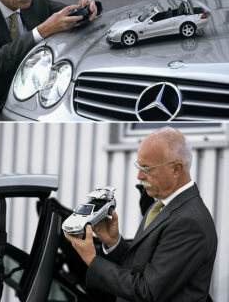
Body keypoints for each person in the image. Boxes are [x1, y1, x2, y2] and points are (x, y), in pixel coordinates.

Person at [65, 127, 218, 302]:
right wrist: (113, 242)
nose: (139, 176)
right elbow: (140, 267)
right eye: (138, 167)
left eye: (146, 169)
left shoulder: (189, 222)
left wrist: (91, 259)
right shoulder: (162, 205)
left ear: (176, 169)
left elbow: (147, 292)